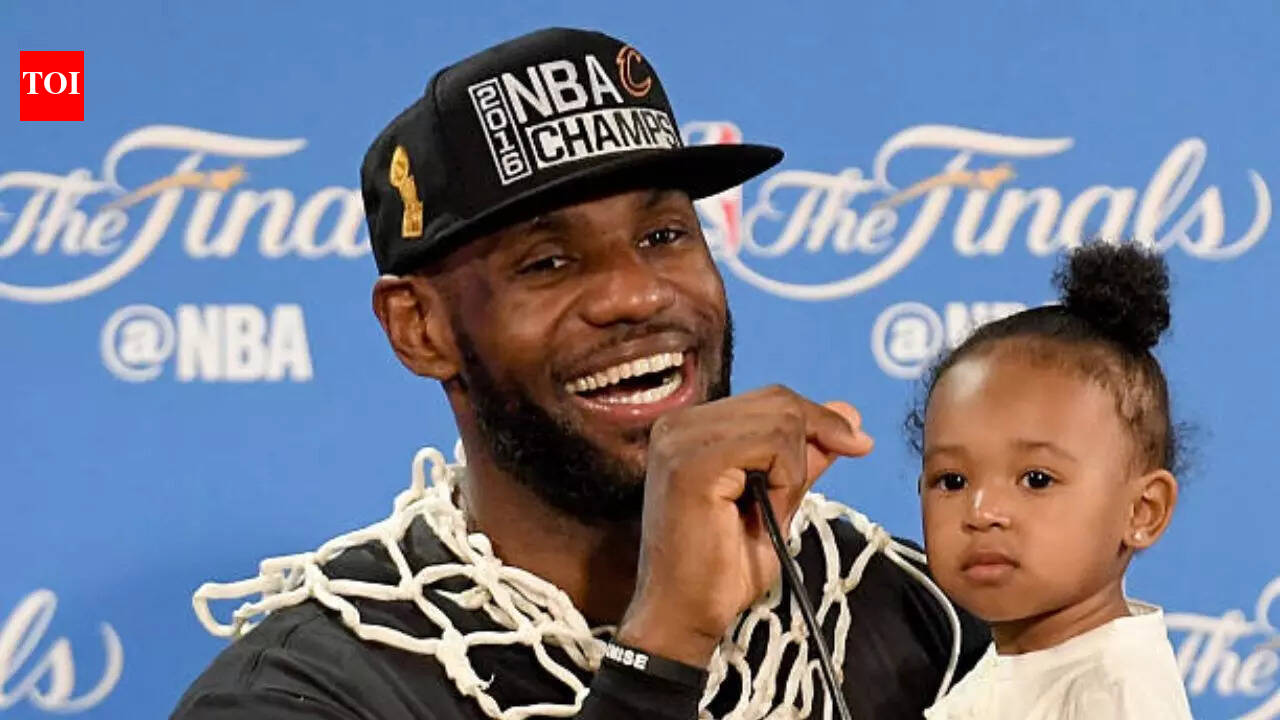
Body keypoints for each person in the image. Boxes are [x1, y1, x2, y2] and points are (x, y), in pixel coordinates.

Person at [172, 27, 988, 720]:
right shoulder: (308, 689)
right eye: (548, 262)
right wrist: (665, 643)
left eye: (664, 236)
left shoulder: (910, 610)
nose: (636, 294)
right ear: (421, 328)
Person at [912, 243, 1194, 719]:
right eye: (953, 480)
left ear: (1143, 511)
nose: (981, 511)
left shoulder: (1116, 693)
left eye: (1036, 479)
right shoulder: (1006, 669)